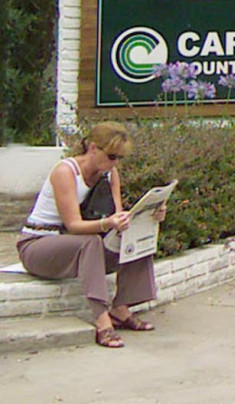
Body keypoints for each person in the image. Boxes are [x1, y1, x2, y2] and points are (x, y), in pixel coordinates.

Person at [16, 122, 165, 349]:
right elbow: (74, 225)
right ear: (93, 148)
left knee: (133, 235)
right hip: (38, 245)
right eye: (112, 156)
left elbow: (116, 217)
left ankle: (122, 307)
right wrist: (107, 223)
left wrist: (147, 215)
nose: (114, 163)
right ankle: (102, 321)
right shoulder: (65, 172)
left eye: (119, 158)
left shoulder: (109, 174)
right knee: (90, 242)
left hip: (74, 248)